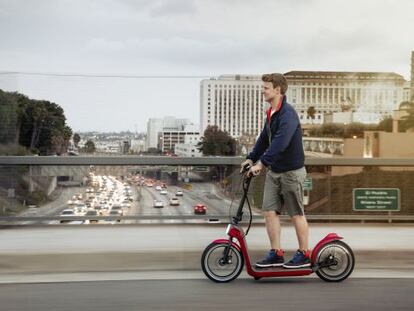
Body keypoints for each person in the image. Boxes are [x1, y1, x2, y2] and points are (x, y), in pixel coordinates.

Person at [240, 73, 310, 269]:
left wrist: (261, 164)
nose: (263, 91)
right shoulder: (271, 112)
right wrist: (251, 157)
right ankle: (276, 252)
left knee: (296, 214)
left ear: (277, 89)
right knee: (269, 212)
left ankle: (304, 253)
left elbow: (280, 143)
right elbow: (264, 138)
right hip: (275, 171)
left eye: (266, 88)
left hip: (291, 172)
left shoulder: (288, 114)